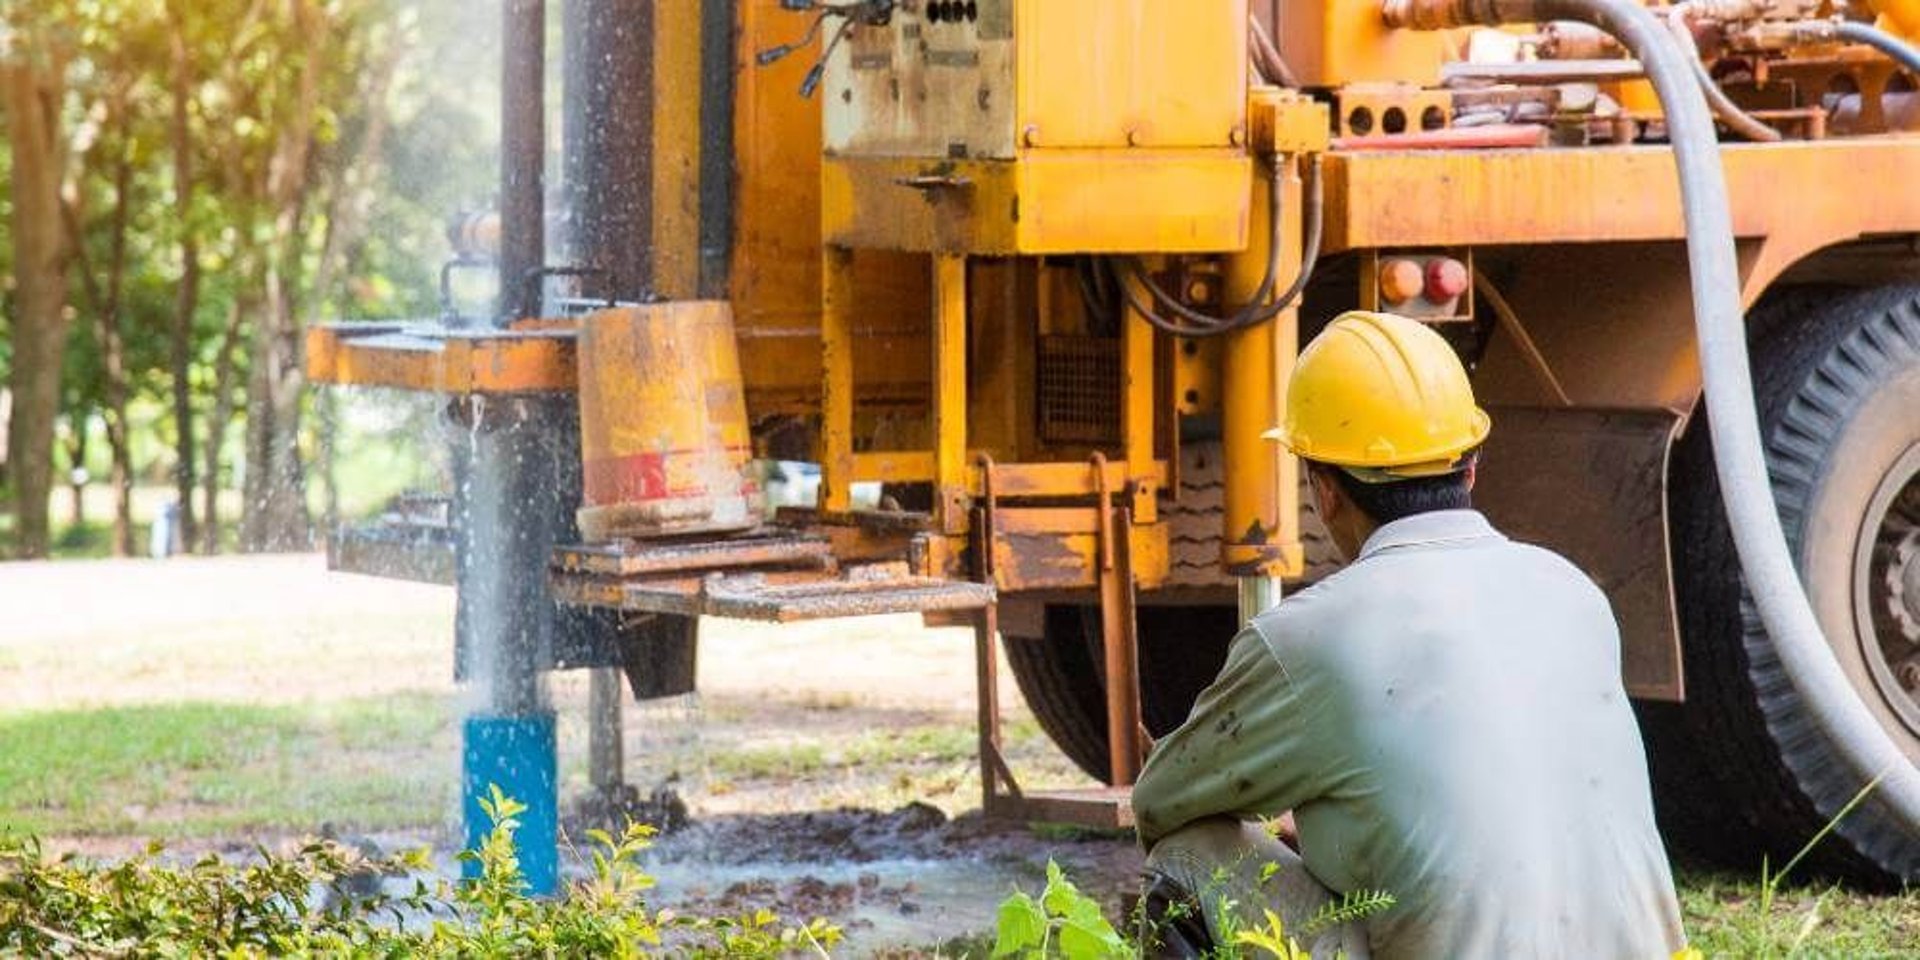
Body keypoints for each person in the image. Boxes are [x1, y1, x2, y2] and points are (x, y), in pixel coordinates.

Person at [1131, 311, 1686, 959]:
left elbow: (1161, 803)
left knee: (1189, 855)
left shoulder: (1308, 635)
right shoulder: (1572, 591)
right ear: (1471, 466)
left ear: (1324, 488)